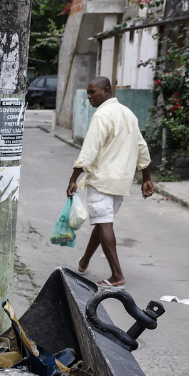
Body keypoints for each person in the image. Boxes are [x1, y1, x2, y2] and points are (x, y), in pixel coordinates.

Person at [66, 76, 154, 288]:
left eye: (92, 92)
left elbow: (89, 149)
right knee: (102, 220)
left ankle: (117, 276)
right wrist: (147, 177)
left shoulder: (102, 115)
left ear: (106, 91)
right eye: (88, 92)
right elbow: (141, 146)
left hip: (102, 180)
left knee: (104, 222)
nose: (89, 97)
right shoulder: (128, 113)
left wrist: (73, 178)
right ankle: (84, 262)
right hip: (121, 181)